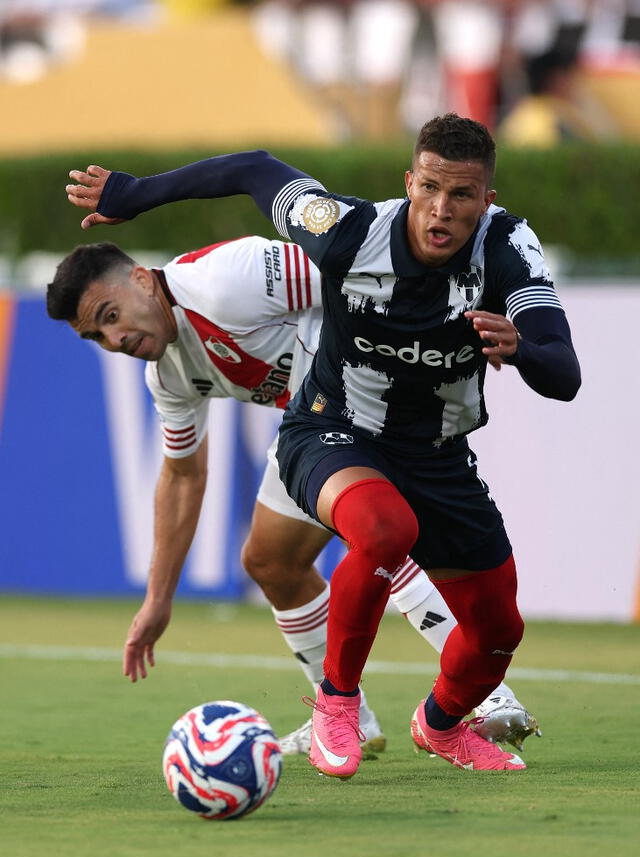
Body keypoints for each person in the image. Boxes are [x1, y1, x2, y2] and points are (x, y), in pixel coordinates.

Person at [59, 113, 579, 776]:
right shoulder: (344, 237)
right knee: (372, 529)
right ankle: (342, 704)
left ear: (488, 201)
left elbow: (564, 372)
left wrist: (522, 348)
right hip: (332, 425)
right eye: (428, 188)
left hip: (435, 448)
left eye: (462, 196)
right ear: (409, 182)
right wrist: (159, 599)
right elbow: (183, 476)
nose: (440, 210)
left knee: (497, 626)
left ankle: (449, 717)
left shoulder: (503, 249)